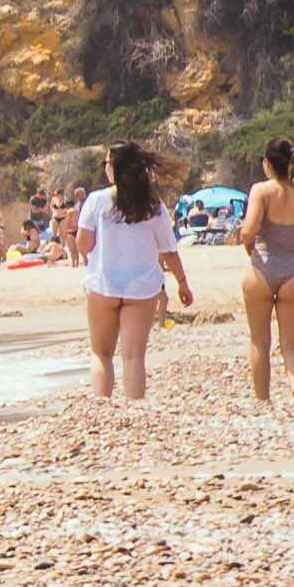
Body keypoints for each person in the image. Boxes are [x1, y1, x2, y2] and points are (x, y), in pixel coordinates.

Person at [73, 140, 192, 404]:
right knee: (134, 356)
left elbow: (84, 245)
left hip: (103, 284)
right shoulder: (153, 205)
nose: (105, 168)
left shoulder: (96, 200)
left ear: (114, 168)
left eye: (106, 163)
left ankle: (102, 405)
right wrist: (183, 284)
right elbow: (169, 250)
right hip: (142, 289)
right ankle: (135, 408)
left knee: (101, 353)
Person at [233, 140, 294, 405]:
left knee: (259, 340)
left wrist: (250, 248)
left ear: (268, 164)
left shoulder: (261, 190)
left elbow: (249, 232)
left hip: (262, 268)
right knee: (292, 344)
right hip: (293, 271)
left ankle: (263, 398)